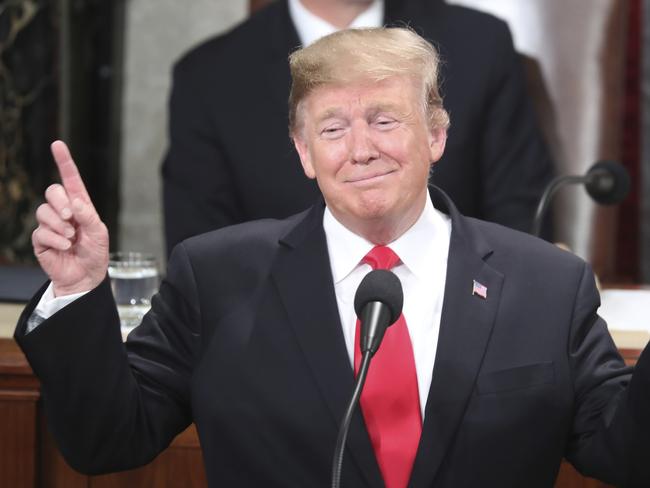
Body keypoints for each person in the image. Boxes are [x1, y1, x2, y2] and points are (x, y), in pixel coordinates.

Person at [16, 28, 649, 488]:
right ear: (302, 152)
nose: (361, 149)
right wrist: (78, 289)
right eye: (332, 129)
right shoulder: (215, 276)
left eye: (384, 120)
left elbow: (625, 452)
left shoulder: (547, 284)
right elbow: (107, 440)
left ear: (436, 134)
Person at [162, 0, 555, 256]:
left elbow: (521, 215)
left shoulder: (479, 44)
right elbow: (201, 251)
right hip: (275, 339)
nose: (362, 150)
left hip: (459, 328)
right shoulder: (210, 75)